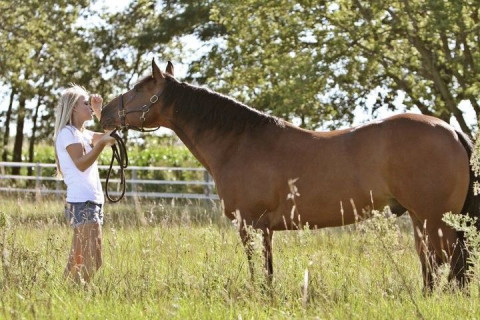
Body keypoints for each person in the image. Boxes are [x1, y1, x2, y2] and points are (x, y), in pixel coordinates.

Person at [53, 84, 115, 284]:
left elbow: (114, 137)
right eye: (86, 103)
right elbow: (81, 164)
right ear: (73, 108)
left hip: (92, 202)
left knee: (77, 260)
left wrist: (100, 112)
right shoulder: (67, 133)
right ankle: (78, 293)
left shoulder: (85, 134)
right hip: (83, 202)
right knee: (92, 260)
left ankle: (62, 294)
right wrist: (101, 144)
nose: (89, 105)